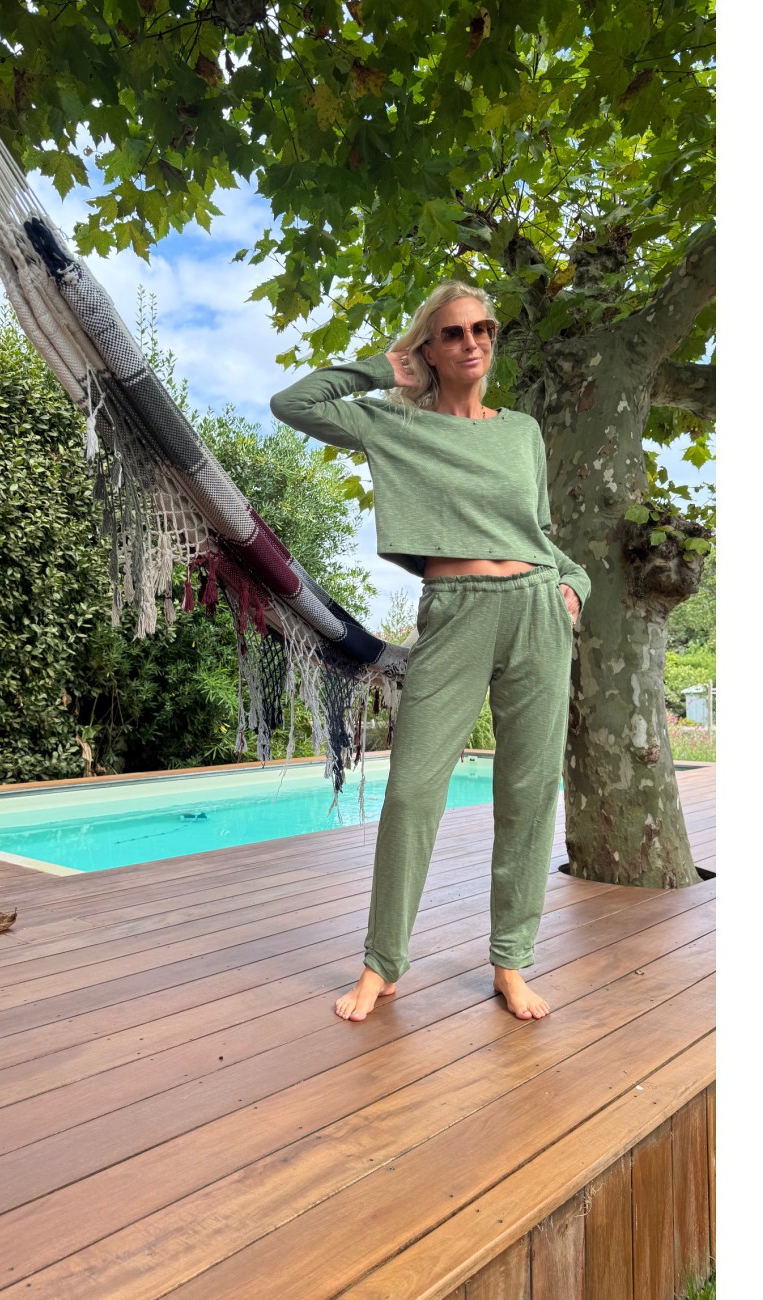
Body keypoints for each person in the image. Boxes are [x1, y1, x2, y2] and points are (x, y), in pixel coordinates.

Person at [269, 281, 590, 1022]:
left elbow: (540, 532)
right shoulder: (394, 424)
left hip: (539, 610)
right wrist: (382, 369)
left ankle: (511, 962)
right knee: (413, 792)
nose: (472, 341)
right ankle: (381, 964)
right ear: (429, 349)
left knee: (529, 792)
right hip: (455, 610)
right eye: (452, 332)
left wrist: (574, 586)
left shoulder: (523, 432)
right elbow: (294, 404)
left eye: (483, 328)